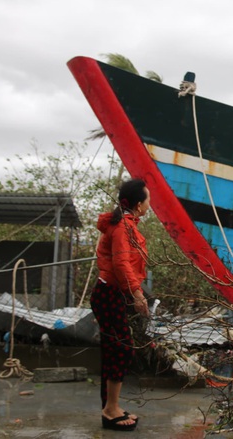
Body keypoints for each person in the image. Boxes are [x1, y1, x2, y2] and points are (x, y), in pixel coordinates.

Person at [91, 178, 151, 431]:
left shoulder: (124, 225)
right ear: (139, 205)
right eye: (148, 200)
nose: (150, 204)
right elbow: (121, 264)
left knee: (114, 349)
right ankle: (110, 409)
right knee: (122, 350)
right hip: (109, 293)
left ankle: (110, 408)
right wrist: (137, 294)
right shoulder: (122, 228)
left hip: (111, 293)